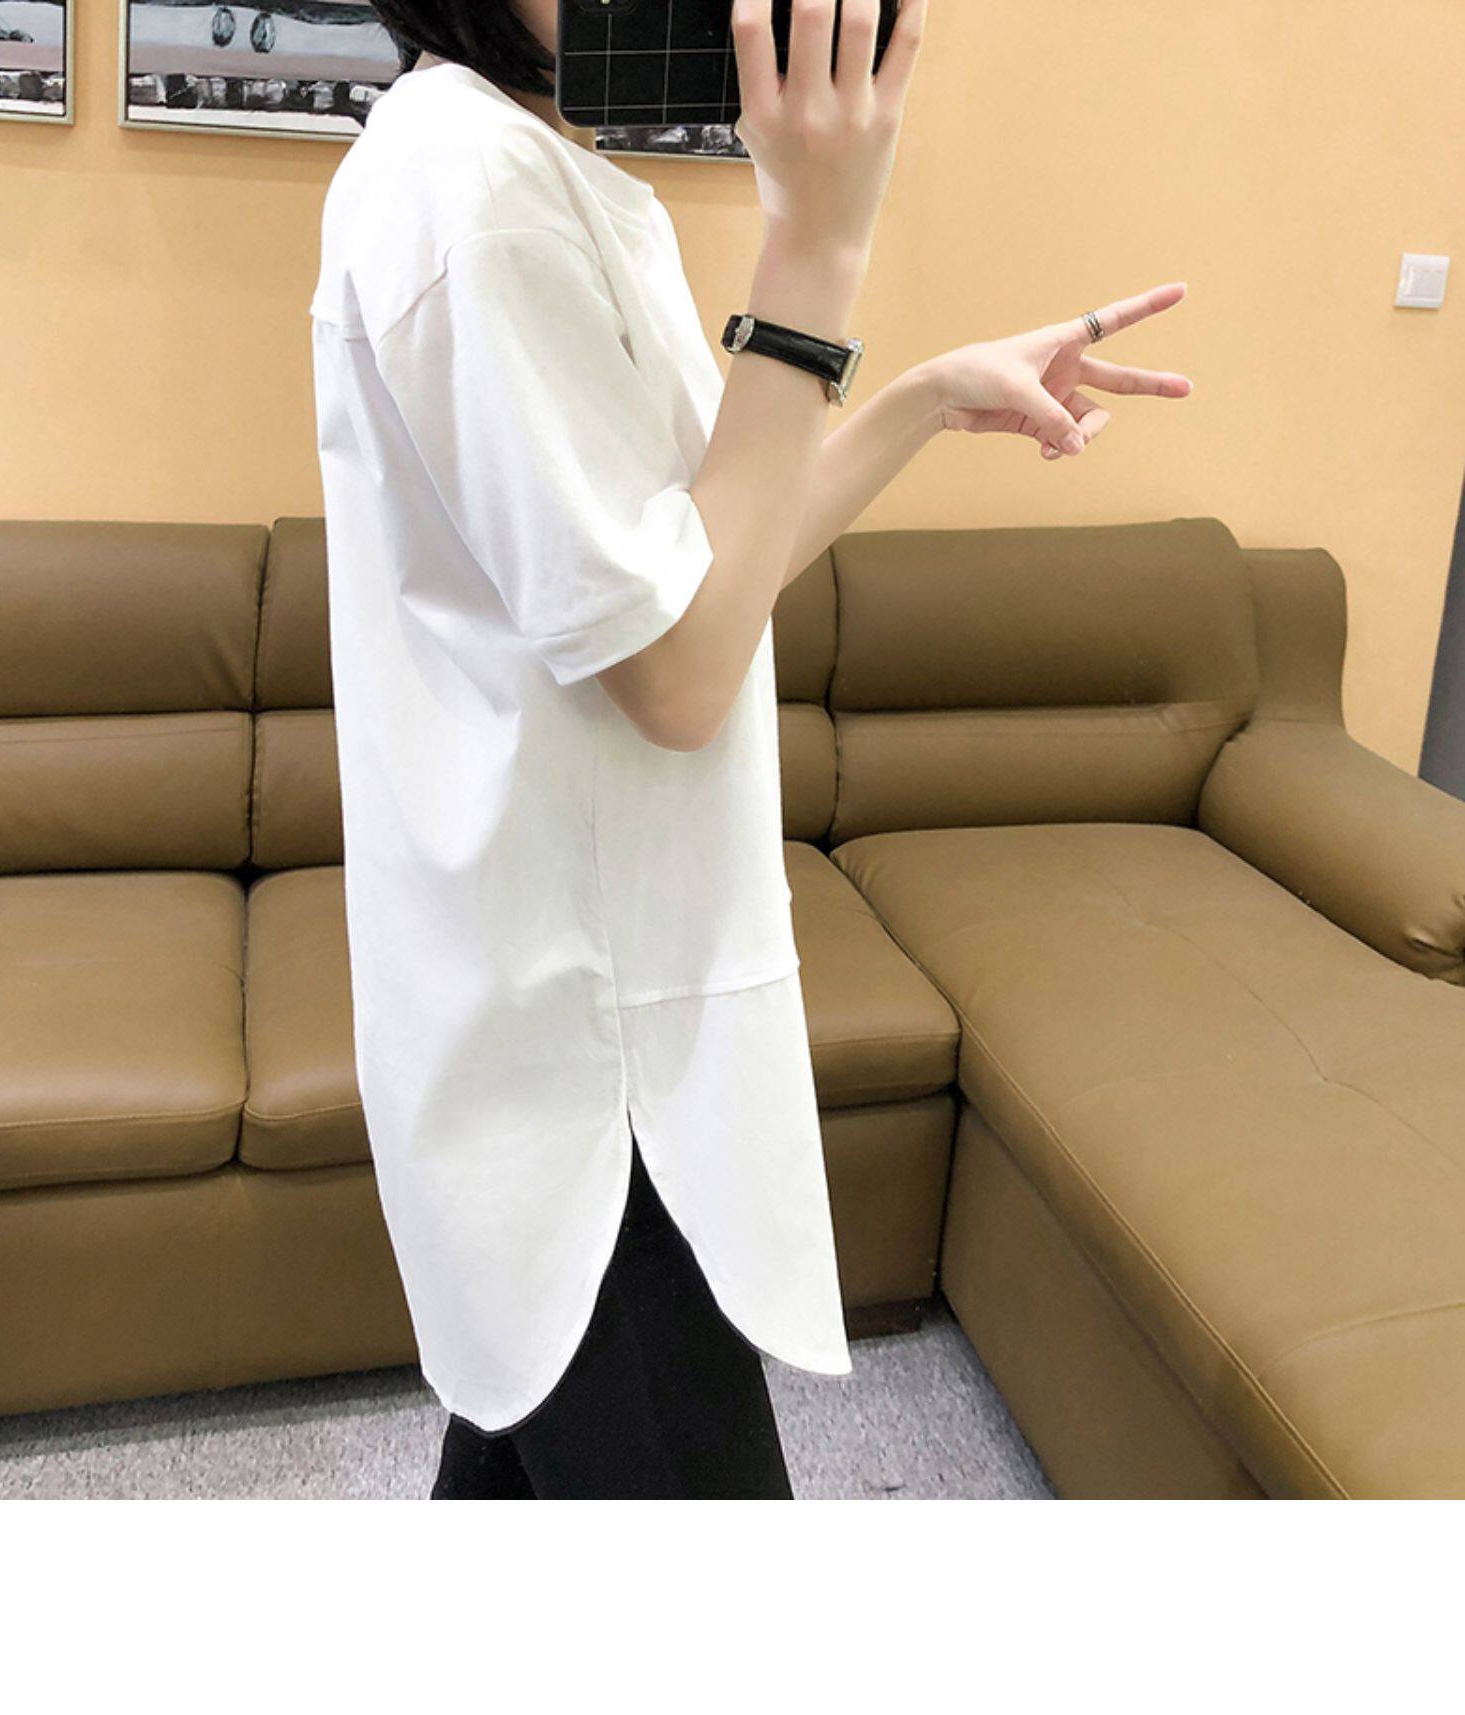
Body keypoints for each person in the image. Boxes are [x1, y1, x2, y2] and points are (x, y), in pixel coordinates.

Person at [308, 0, 1188, 1500]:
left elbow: (692, 580)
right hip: (592, 1076)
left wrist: (920, 398)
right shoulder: (477, 187)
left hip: (593, 1021)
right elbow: (677, 678)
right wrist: (819, 245)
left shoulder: (528, 166)